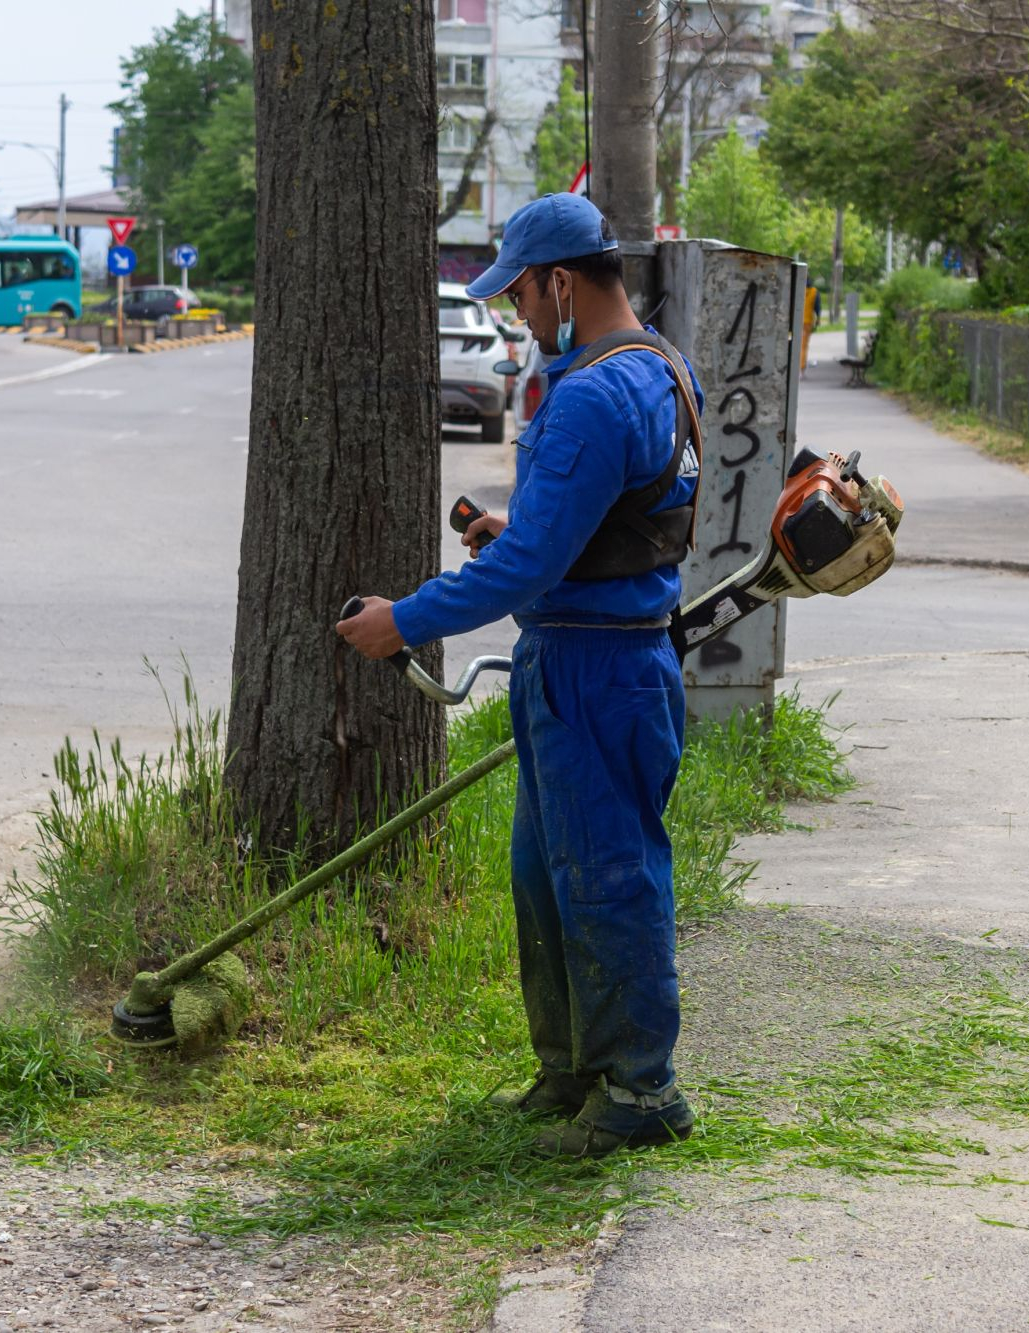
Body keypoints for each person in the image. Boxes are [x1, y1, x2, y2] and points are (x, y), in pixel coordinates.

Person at [336, 193, 701, 1158]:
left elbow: (529, 570)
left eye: (525, 298)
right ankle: (575, 1068)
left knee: (607, 875)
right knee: (548, 875)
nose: (521, 317)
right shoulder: (660, 368)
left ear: (564, 283)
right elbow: (602, 529)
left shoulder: (590, 394)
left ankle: (641, 1088)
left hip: (597, 668)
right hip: (597, 657)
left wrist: (403, 622)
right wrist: (523, 536)